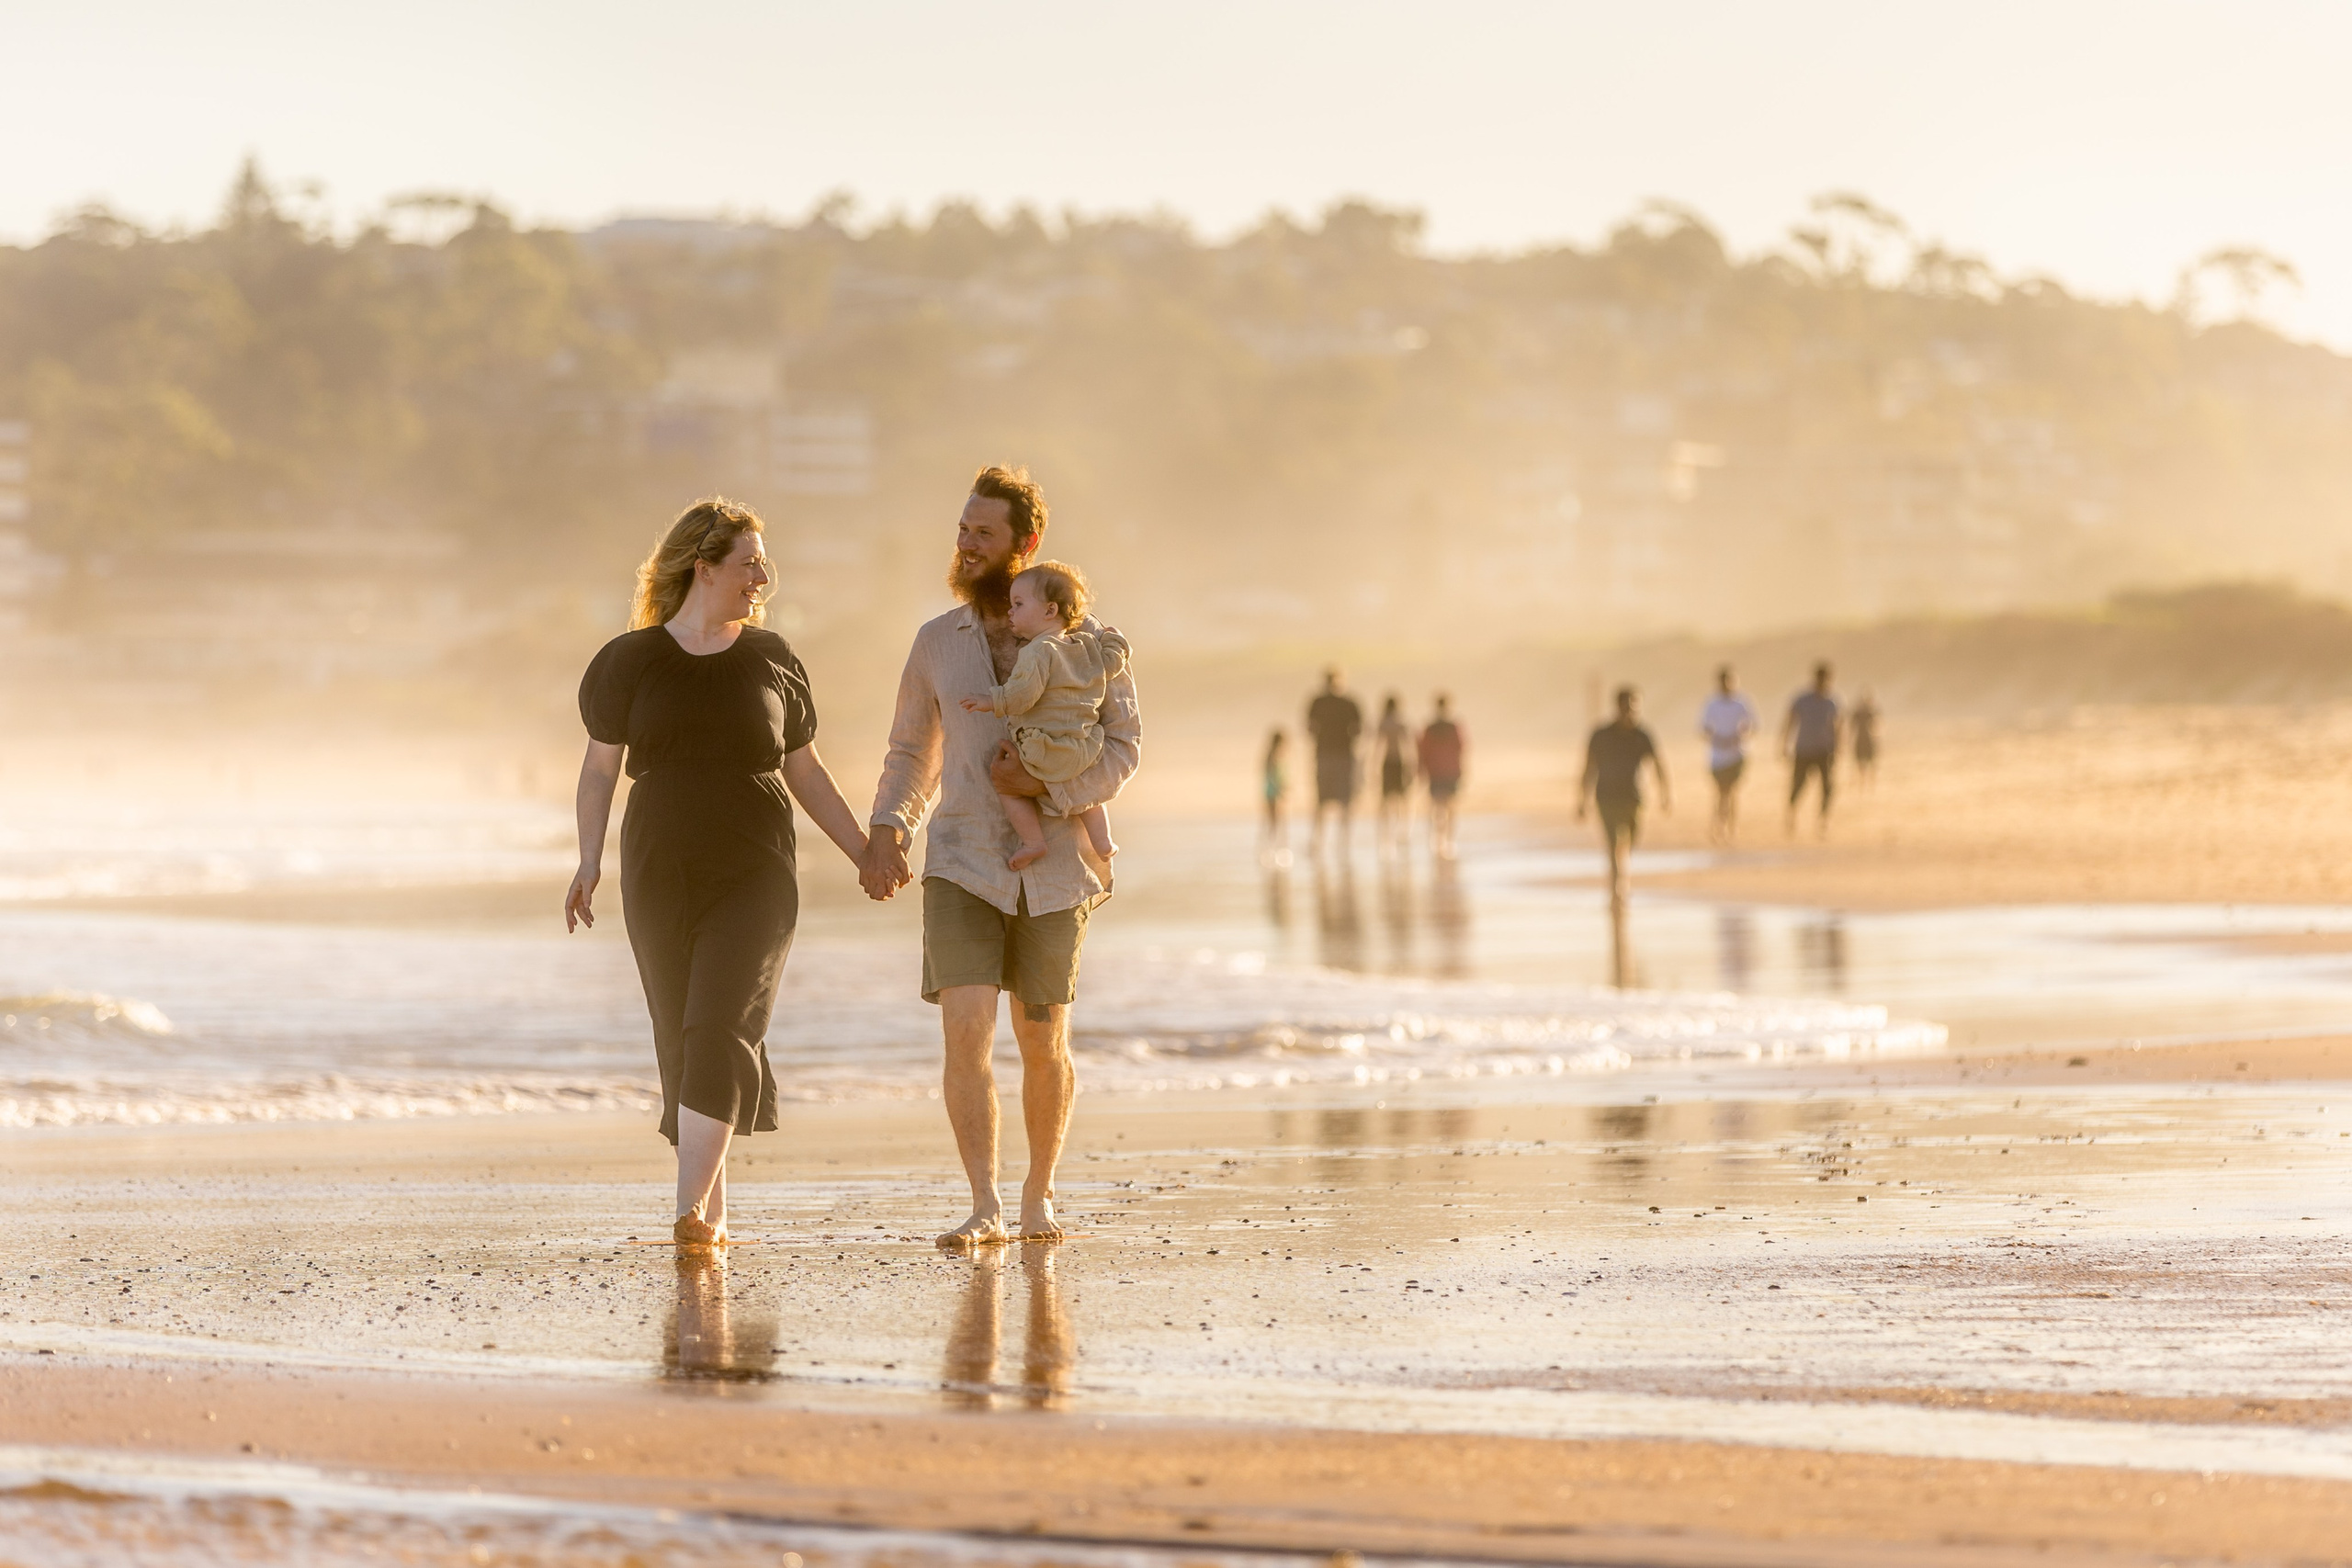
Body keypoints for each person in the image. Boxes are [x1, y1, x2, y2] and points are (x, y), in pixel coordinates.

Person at [566, 498, 872, 1252]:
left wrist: (865, 850)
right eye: (748, 563)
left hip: (755, 870)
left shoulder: (772, 657)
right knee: (682, 1037)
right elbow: (600, 771)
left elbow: (807, 770)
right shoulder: (628, 660)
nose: (762, 575)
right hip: (659, 866)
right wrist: (587, 860)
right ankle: (716, 1214)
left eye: (762, 562)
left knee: (720, 1024)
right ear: (703, 567)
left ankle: (687, 1215)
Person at [860, 466, 1141, 1250]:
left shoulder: (1083, 643)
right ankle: (983, 1202)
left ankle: (1038, 1193)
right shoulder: (935, 642)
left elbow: (1125, 745)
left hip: (1054, 868)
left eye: (984, 532)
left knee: (1044, 1037)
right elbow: (912, 748)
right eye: (962, 529)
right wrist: (890, 826)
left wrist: (1052, 786)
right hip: (960, 859)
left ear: (1027, 543)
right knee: (966, 1029)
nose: (967, 544)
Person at [957, 560, 1127, 869]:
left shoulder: (1036, 651)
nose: (1011, 611)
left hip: (1044, 749)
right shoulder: (1085, 644)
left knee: (1006, 785)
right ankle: (1103, 842)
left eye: (1018, 604)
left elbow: (1022, 696)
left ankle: (1033, 842)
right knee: (1090, 798)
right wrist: (1115, 640)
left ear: (1050, 611)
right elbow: (1111, 665)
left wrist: (990, 700)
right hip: (1083, 746)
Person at [1578, 685, 1670, 902]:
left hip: (1634, 798)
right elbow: (1588, 767)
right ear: (1617, 707)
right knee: (1612, 843)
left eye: (1635, 706)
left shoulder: (1642, 734)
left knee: (1631, 840)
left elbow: (1658, 763)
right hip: (1606, 797)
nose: (1631, 711)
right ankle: (1618, 884)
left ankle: (1622, 870)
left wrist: (1665, 793)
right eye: (1627, 706)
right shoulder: (1600, 735)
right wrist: (1582, 800)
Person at [1306, 669, 1363, 858]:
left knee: (1327, 800)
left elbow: (1310, 728)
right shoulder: (1346, 703)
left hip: (1330, 754)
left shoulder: (1320, 702)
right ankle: (1338, 842)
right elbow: (1358, 730)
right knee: (1339, 800)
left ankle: (1327, 841)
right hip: (1338, 755)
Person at [1699, 664, 1759, 844]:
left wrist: (1740, 736)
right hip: (1717, 756)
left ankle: (1730, 828)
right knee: (1720, 793)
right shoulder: (1711, 703)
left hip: (1737, 754)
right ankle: (1718, 826)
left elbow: (1753, 724)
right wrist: (1717, 739)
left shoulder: (1742, 702)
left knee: (1731, 792)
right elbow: (1703, 728)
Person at [1783, 660, 1842, 836]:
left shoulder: (1832, 701)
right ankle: (1791, 815)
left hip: (1825, 751)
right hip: (1804, 750)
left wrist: (1838, 748)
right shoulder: (1802, 700)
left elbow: (1837, 727)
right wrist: (1784, 744)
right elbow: (1790, 722)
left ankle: (1823, 821)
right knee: (1798, 785)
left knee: (1827, 788)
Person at [1417, 694, 1465, 860]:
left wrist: (1421, 770)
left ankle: (1438, 841)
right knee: (1449, 807)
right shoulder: (1453, 726)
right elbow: (1462, 748)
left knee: (1437, 807)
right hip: (1448, 771)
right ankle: (1447, 841)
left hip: (1436, 771)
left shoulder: (1431, 728)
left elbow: (1423, 751)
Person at [1375, 693, 1414, 857]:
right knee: (1402, 799)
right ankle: (1403, 832)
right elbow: (1408, 747)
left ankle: (1386, 835)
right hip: (1399, 763)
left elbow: (1378, 747)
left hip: (1388, 763)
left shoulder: (1384, 723)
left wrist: (1373, 766)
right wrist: (1412, 766)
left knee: (1386, 801)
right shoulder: (1400, 723)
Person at [1261, 729, 1290, 863]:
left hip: (1274, 792)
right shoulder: (1271, 756)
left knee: (1277, 821)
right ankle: (1269, 850)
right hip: (1272, 793)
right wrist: (1279, 789)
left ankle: (1276, 849)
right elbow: (1270, 776)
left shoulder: (1276, 756)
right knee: (1273, 821)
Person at [1850, 689, 1881, 787]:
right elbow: (1852, 727)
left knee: (1870, 762)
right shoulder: (1858, 713)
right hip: (1861, 739)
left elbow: (1877, 726)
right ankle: (1863, 782)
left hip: (1868, 739)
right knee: (1861, 762)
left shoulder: (1871, 713)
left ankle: (1871, 782)